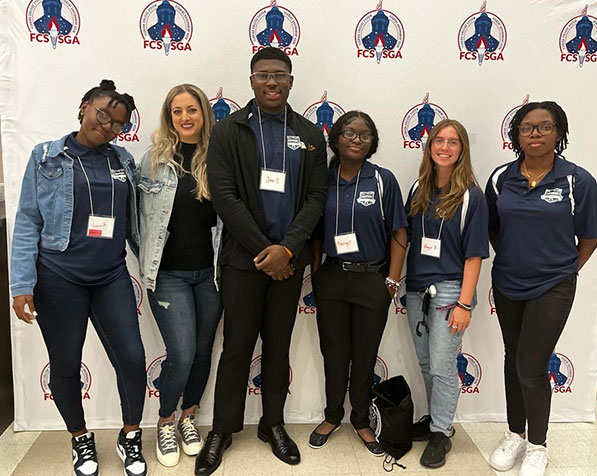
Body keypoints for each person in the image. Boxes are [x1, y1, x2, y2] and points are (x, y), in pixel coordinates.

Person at [194, 47, 328, 475]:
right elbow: (225, 197)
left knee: (278, 346)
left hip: (289, 262)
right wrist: (264, 251)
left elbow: (316, 198)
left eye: (280, 75)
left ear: (291, 80)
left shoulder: (309, 134)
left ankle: (273, 424)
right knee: (235, 347)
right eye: (263, 75)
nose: (272, 82)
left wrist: (287, 249)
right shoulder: (229, 130)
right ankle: (223, 429)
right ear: (251, 80)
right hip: (243, 261)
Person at [10, 80, 147, 476]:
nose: (107, 127)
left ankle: (131, 435)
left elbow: (136, 221)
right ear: (85, 107)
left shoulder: (122, 161)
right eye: (103, 115)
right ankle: (80, 439)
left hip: (111, 277)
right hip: (58, 278)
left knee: (133, 359)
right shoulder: (46, 157)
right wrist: (21, 285)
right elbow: (27, 222)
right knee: (66, 365)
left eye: (118, 124)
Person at [486, 101, 597, 476]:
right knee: (511, 359)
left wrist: (563, 271)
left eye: (544, 127)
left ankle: (538, 445)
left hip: (553, 286)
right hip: (506, 282)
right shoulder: (501, 178)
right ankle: (515, 434)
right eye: (526, 128)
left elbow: (589, 236)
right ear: (516, 136)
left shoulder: (577, 180)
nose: (535, 134)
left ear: (559, 132)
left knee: (531, 367)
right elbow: (493, 229)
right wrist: (517, 259)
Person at [308, 111, 407, 455]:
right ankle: (333, 414)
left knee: (364, 356)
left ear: (372, 143)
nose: (356, 139)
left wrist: (392, 281)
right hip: (333, 278)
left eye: (364, 135)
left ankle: (361, 420)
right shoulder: (321, 179)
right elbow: (315, 232)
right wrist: (317, 273)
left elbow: (399, 231)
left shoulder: (383, 180)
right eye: (349, 133)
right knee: (334, 353)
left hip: (372, 279)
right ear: (335, 138)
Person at [137, 84, 222, 467]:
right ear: (168, 117)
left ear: (204, 114)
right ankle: (165, 420)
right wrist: (148, 261)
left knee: (203, 351)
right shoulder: (153, 161)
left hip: (211, 274)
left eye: (192, 110)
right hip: (168, 275)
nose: (185, 117)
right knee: (183, 352)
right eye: (177, 111)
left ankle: (190, 416)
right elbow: (133, 222)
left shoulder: (219, 159)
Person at [405, 119, 489, 468]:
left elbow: (474, 256)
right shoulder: (418, 188)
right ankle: (434, 418)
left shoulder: (471, 196)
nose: (444, 147)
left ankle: (441, 431)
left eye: (453, 142)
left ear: (462, 150)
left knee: (441, 364)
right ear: (429, 146)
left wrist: (464, 304)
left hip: (450, 291)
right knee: (426, 363)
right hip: (416, 289)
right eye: (439, 140)